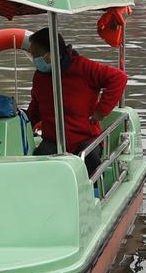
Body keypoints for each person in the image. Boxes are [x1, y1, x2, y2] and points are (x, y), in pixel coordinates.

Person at [25, 26, 129, 172]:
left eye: (37, 55)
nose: (35, 60)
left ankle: (95, 186)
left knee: (90, 159)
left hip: (85, 137)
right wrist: (24, 122)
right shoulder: (39, 76)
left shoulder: (83, 67)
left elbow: (119, 78)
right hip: (53, 140)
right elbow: (36, 105)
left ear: (51, 53)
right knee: (38, 163)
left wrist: (101, 111)